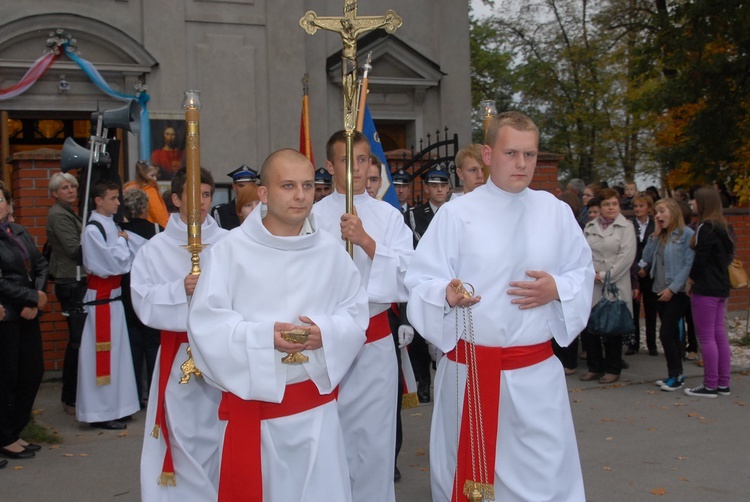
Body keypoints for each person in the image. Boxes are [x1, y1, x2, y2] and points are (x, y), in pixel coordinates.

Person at [405, 111, 593, 501]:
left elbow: (582, 271)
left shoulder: (555, 212)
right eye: (512, 153)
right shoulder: (456, 214)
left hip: (534, 375)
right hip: (469, 372)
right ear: (488, 154)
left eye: (530, 155)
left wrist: (556, 288)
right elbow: (420, 279)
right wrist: (446, 293)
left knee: (544, 475)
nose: (522, 164)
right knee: (466, 474)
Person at [187, 149, 369, 501]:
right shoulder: (229, 251)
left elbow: (355, 313)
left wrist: (326, 333)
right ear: (264, 194)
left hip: (315, 412)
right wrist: (260, 337)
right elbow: (206, 326)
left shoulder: (331, 252)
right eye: (288, 185)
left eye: (307, 185)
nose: (301, 195)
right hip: (255, 414)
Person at [312, 130, 413, 502]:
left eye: (363, 160)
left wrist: (367, 242)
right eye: (345, 160)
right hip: (325, 340)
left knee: (373, 438)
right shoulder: (312, 215)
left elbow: (407, 276)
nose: (356, 168)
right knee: (328, 435)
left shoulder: (388, 216)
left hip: (373, 342)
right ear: (329, 166)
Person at [131, 167, 228, 500]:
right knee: (181, 432)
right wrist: (179, 289)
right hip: (178, 354)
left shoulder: (229, 243)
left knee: (220, 430)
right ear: (175, 198)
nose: (201, 203)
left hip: (222, 354)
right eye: (192, 195)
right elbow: (141, 298)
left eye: (206, 195)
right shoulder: (155, 249)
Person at [77, 180, 140, 430]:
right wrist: (123, 242)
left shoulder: (111, 225)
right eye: (113, 198)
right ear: (98, 200)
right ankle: (100, 411)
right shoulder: (93, 230)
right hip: (100, 303)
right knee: (101, 357)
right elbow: (114, 264)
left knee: (118, 356)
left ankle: (118, 406)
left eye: (118, 198)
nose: (117, 203)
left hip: (113, 301)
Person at [0, 186, 48, 460]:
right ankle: (5, 435)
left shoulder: (18, 232)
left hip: (28, 313)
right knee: (7, 377)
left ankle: (13, 430)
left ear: (8, 204)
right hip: (7, 316)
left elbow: (40, 264)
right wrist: (31, 297)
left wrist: (35, 301)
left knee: (32, 372)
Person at [580, 188, 636, 384]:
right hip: (592, 282)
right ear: (600, 207)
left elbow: (626, 257)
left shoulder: (626, 227)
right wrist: (589, 273)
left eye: (614, 204)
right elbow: (582, 253)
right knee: (592, 325)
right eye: (606, 204)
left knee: (613, 325)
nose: (610, 208)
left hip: (614, 283)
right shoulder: (590, 227)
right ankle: (594, 366)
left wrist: (605, 276)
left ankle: (613, 368)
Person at [405, 165, 451, 403]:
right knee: (422, 337)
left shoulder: (456, 213)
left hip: (450, 281)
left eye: (443, 185)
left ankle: (444, 377)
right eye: (434, 186)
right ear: (426, 188)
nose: (439, 190)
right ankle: (424, 382)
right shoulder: (414, 215)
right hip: (425, 279)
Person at [684, 187, 733, 398]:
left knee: (706, 336)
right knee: (719, 334)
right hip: (721, 285)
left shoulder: (705, 227)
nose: (692, 203)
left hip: (705, 287)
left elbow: (700, 260)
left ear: (702, 203)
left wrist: (691, 280)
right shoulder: (722, 226)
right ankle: (723, 383)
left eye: (695, 200)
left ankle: (710, 384)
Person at [642, 198, 695, 392]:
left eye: (662, 211)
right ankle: (673, 373)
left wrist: (673, 288)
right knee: (669, 334)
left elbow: (689, 264)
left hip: (676, 293)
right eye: (656, 212)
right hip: (658, 290)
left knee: (666, 333)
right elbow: (645, 259)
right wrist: (654, 235)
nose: (657, 215)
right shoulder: (660, 236)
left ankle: (677, 375)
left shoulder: (687, 235)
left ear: (673, 212)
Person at [46, 172, 87, 415]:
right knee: (76, 341)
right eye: (64, 187)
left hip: (73, 278)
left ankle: (72, 396)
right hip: (70, 280)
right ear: (54, 193)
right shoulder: (60, 215)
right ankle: (70, 397)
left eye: (73, 186)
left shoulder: (68, 211)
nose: (71, 190)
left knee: (78, 341)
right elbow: (74, 249)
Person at [119, 189, 161, 407]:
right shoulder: (157, 231)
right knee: (153, 345)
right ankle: (155, 393)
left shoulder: (120, 232)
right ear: (145, 208)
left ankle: (134, 395)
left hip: (127, 291)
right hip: (151, 289)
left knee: (133, 345)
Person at [629, 193, 658, 356]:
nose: (638, 209)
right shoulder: (630, 225)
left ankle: (651, 343)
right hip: (634, 271)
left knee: (651, 309)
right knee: (634, 308)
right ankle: (634, 343)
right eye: (635, 206)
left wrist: (646, 267)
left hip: (650, 272)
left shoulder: (654, 225)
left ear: (648, 208)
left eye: (641, 206)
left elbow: (656, 249)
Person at [210, 165, 259, 230]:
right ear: (234, 187)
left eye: (249, 186)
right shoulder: (221, 212)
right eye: (241, 186)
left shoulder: (264, 209)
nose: (245, 189)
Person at [124, 161, 169, 228]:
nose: (155, 178)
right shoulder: (150, 190)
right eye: (152, 175)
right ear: (143, 174)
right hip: (151, 228)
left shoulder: (129, 188)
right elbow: (158, 213)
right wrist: (166, 228)